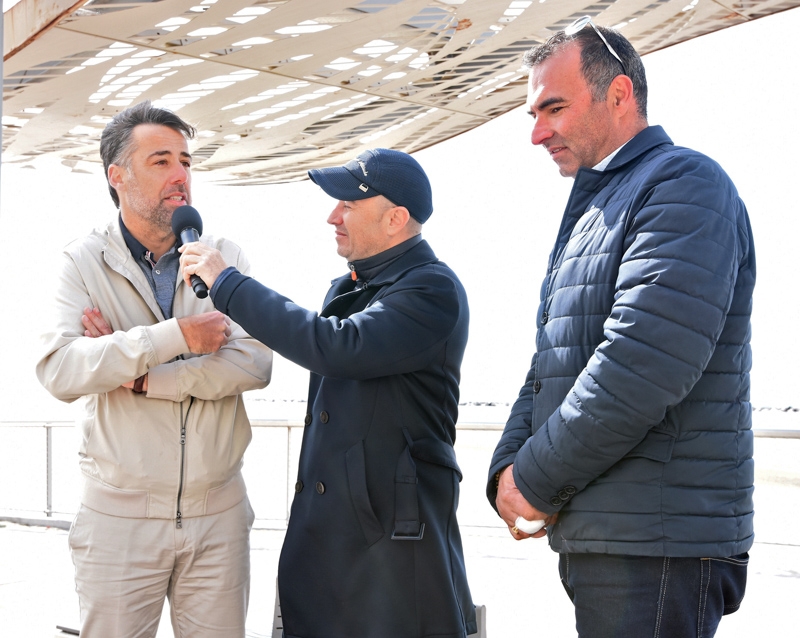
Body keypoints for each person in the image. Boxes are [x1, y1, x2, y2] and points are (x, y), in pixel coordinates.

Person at [486, 16, 755, 638]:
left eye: (552, 108)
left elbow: (641, 362)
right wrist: (506, 469)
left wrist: (535, 479)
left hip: (657, 542)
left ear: (619, 94)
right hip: (612, 535)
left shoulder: (683, 185)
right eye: (532, 113)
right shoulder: (602, 204)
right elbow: (556, 354)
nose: (536, 133)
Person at [180, 148, 477, 638]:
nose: (332, 215)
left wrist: (228, 283)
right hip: (331, 544)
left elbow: (337, 347)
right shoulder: (350, 287)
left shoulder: (431, 290)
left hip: (391, 547)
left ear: (395, 219)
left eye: (348, 205)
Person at [36, 100, 273, 638]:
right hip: (117, 521)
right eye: (161, 160)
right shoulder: (81, 262)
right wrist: (177, 338)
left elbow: (255, 363)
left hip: (220, 516)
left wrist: (141, 374)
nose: (181, 175)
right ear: (117, 176)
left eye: (186, 161)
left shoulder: (223, 255)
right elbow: (61, 371)